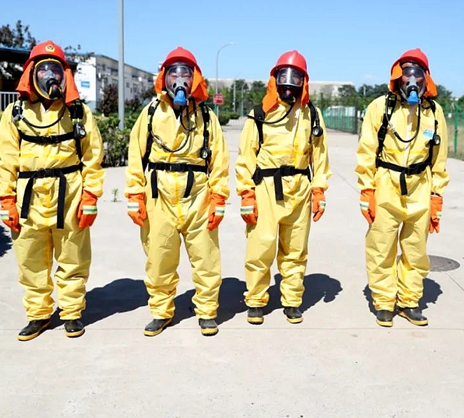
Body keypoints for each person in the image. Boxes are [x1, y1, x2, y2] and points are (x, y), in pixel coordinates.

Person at [0, 40, 105, 341]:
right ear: (32, 74)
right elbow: (6, 159)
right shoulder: (16, 112)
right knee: (30, 257)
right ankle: (39, 314)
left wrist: (90, 196)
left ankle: (71, 312)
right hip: (28, 195)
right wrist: (7, 199)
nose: (50, 76)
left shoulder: (78, 112)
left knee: (73, 255)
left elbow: (93, 157)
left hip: (69, 194)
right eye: (43, 70)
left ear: (64, 75)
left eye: (55, 70)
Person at [125, 47, 229, 337]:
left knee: (206, 258)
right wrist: (134, 195)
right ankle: (161, 311)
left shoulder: (206, 116)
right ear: (164, 77)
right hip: (159, 196)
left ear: (195, 79)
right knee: (159, 257)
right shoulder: (150, 114)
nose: (179, 79)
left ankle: (207, 312)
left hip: (198, 196)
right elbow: (135, 156)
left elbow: (219, 159)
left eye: (186, 73)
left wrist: (218, 197)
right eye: (174, 73)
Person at [235, 50, 331, 325]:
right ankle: (256, 300)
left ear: (304, 81)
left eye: (296, 77)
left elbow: (320, 156)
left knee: (296, 249)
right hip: (266, 186)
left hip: (300, 186)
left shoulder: (312, 115)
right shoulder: (259, 114)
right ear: (275, 79)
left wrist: (319, 190)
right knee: (260, 246)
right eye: (284, 76)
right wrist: (246, 193)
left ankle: (291, 300)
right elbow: (246, 156)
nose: (289, 83)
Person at [355, 48, 449, 328]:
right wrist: (367, 189)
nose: (412, 80)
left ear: (426, 79)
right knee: (381, 245)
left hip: (420, 184)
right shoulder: (380, 108)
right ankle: (384, 301)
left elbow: (439, 158)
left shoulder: (434, 112)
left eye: (418, 74)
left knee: (416, 248)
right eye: (407, 73)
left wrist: (436, 195)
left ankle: (409, 301)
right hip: (386, 182)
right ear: (397, 77)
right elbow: (366, 151)